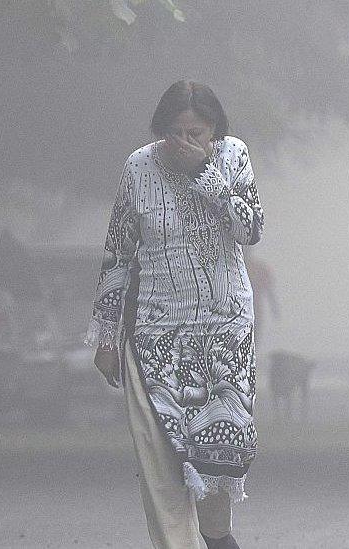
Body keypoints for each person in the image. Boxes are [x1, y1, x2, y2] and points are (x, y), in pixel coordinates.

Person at [84, 80, 264, 549]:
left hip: (224, 331)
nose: (186, 141)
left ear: (215, 132)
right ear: (161, 131)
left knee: (215, 452)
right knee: (159, 454)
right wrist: (107, 336)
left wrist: (206, 174)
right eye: (177, 132)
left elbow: (250, 229)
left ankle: (218, 537)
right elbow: (118, 254)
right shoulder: (139, 167)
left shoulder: (232, 157)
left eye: (198, 133)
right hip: (154, 332)